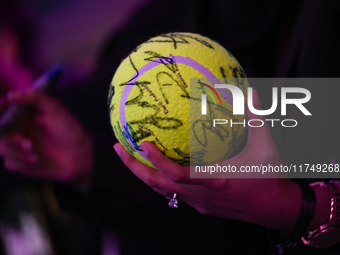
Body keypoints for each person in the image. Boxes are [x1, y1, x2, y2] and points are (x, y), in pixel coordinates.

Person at [1, 0, 339, 254]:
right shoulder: (167, 19)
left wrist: (300, 207)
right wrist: (89, 163)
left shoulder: (308, 25)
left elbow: (292, 183)